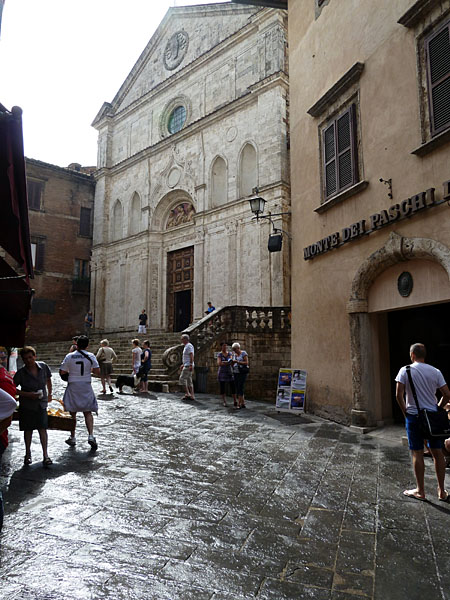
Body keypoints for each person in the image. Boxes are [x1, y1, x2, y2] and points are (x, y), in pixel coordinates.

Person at [395, 342, 450, 502]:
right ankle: (441, 491)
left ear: (412, 355)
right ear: (424, 355)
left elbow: (399, 394)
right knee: (437, 453)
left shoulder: (405, 370)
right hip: (432, 417)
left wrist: (406, 412)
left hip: (414, 417)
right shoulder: (435, 371)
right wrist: (437, 407)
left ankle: (420, 491)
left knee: (417, 453)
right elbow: (447, 394)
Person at [13, 346, 53, 466]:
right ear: (23, 360)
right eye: (26, 359)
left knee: (42, 429)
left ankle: (45, 455)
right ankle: (28, 453)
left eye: (31, 357)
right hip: (27, 405)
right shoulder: (21, 373)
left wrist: (50, 393)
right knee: (28, 430)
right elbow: (13, 389)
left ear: (35, 356)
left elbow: (48, 380)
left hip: (41, 404)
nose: (29, 360)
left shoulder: (43, 367)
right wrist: (27, 394)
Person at [60, 335, 100, 450]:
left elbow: (62, 372)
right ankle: (91, 436)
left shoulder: (69, 356)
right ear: (87, 345)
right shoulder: (91, 356)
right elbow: (97, 371)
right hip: (86, 385)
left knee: (72, 412)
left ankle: (72, 437)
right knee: (87, 412)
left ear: (76, 344)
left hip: (73, 385)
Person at [217, 341, 237, 407]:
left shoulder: (229, 354)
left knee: (233, 386)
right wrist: (227, 363)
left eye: (226, 346)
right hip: (222, 372)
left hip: (229, 371)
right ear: (221, 347)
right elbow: (219, 363)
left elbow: (231, 361)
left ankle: (235, 400)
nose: (225, 347)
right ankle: (224, 401)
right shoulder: (220, 354)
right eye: (223, 346)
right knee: (222, 387)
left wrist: (225, 363)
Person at [231, 342, 249, 409]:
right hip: (236, 372)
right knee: (238, 387)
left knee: (240, 388)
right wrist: (232, 362)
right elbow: (233, 364)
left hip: (242, 372)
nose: (234, 351)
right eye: (233, 349)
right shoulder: (234, 355)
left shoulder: (243, 353)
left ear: (238, 348)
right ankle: (243, 403)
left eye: (235, 349)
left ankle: (239, 404)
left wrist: (237, 362)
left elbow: (246, 362)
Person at [179, 334, 195, 401]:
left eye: (182, 339)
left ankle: (187, 393)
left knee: (182, 379)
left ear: (185, 339)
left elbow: (191, 355)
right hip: (187, 364)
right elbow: (186, 357)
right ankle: (192, 395)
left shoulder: (189, 346)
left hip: (188, 365)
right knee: (189, 380)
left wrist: (191, 364)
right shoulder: (186, 346)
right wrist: (183, 364)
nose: (181, 340)